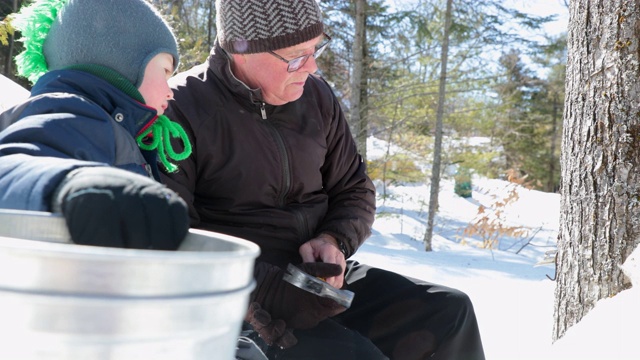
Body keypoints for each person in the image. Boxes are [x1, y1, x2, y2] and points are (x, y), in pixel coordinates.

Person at [162, 1, 487, 359]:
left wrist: (333, 240)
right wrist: (271, 291)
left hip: (318, 282)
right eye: (296, 55)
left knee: (449, 313)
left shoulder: (316, 97)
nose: (312, 65)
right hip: (247, 300)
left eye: (316, 48)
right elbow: (174, 238)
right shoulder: (179, 108)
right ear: (242, 49)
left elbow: (353, 188)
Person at [0, 0, 192, 250]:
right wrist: (72, 184)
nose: (170, 92)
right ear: (123, 63)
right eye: (166, 72)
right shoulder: (68, 110)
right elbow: (11, 165)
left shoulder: (117, 126)